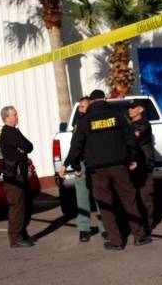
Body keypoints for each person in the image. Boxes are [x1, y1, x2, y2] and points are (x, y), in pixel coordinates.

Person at [60, 89, 151, 250]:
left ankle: (116, 241)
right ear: (104, 99)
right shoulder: (118, 116)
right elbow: (130, 140)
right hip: (119, 167)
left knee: (105, 205)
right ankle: (139, 236)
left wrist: (71, 165)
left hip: (97, 171)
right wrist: (132, 159)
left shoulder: (85, 121)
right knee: (129, 200)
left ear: (92, 102)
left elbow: (76, 146)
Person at [60, 96, 106, 242]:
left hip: (97, 164)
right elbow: (74, 147)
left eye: (83, 106)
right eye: (79, 107)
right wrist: (71, 165)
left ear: (90, 107)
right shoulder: (78, 125)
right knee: (82, 198)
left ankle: (105, 227)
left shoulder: (97, 122)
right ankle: (84, 229)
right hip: (81, 165)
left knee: (101, 196)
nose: (80, 109)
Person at [0, 105, 35, 247]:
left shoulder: (15, 131)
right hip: (14, 177)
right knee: (17, 207)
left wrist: (23, 148)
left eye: (16, 114)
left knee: (26, 205)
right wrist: (22, 148)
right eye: (14, 114)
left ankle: (23, 233)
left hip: (21, 174)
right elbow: (25, 146)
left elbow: (29, 146)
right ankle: (15, 238)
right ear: (6, 118)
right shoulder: (8, 132)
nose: (17, 116)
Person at [128, 101, 155, 234]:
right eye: (129, 108)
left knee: (145, 196)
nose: (130, 109)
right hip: (131, 165)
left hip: (144, 164)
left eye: (133, 107)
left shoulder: (144, 124)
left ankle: (147, 224)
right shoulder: (128, 125)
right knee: (133, 196)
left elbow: (135, 136)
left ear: (141, 109)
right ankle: (136, 224)